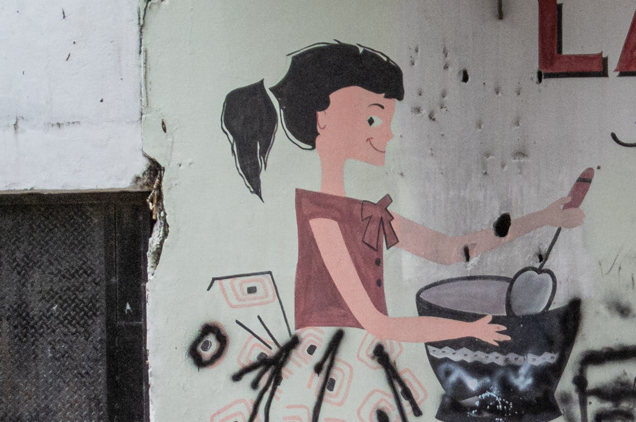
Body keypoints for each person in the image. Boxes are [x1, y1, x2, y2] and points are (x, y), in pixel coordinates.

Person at [221, 41, 583, 344]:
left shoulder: (367, 212)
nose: (388, 134)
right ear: (323, 119)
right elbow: (378, 324)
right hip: (333, 372)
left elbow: (448, 249)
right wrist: (469, 330)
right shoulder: (322, 218)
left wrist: (545, 218)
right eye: (373, 119)